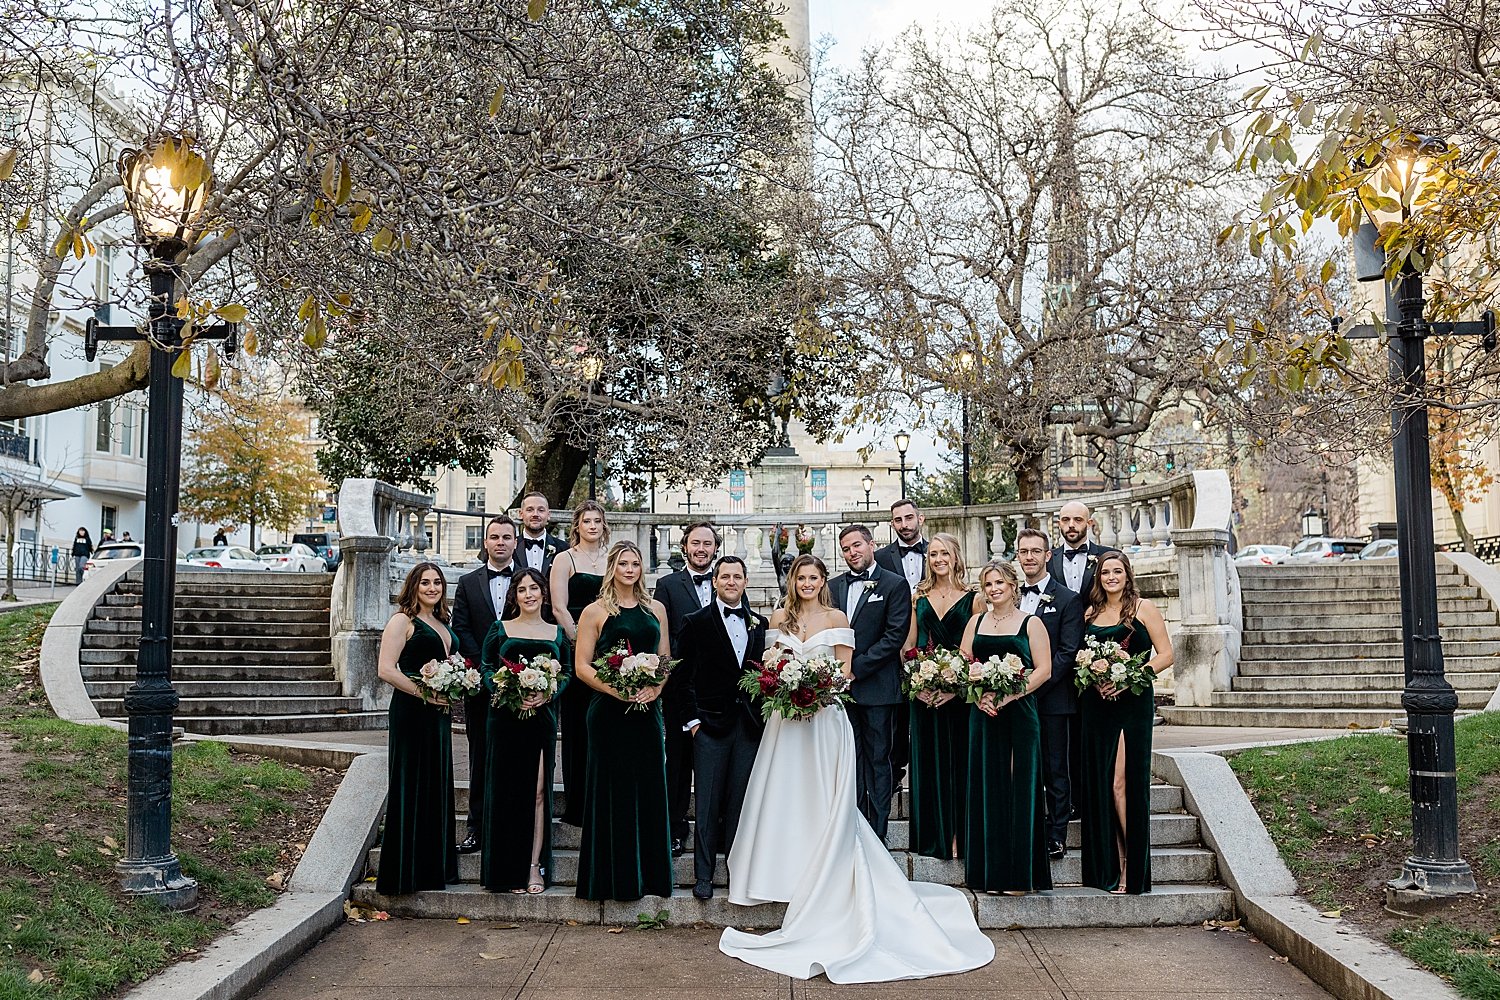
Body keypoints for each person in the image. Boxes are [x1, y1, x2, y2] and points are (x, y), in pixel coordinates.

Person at [719, 554, 993, 982]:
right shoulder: (779, 617)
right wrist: (788, 688)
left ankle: (830, 873)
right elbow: (770, 668)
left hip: (825, 720)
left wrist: (815, 689)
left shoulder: (836, 615)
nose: (806, 583)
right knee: (785, 796)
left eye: (813, 577)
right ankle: (782, 874)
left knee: (825, 799)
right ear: (792, 581)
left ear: (822, 580)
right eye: (800, 578)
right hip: (786, 723)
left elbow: (844, 673)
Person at [573, 540, 674, 901]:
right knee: (611, 791)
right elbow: (582, 665)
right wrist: (615, 691)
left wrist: (657, 689)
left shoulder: (655, 609)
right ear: (612, 568)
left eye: (635, 564)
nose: (630, 570)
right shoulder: (595, 612)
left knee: (649, 787)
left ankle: (651, 876)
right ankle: (611, 879)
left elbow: (664, 658)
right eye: (623, 564)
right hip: (608, 712)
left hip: (646, 711)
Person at [1080, 550, 1173, 895]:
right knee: (1103, 787)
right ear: (1099, 578)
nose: (1111, 577)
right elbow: (1082, 659)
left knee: (1122, 785)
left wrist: (1131, 675)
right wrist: (1094, 677)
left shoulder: (1142, 609)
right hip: (1096, 705)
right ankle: (1110, 865)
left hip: (1131, 703)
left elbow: (1166, 655)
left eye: (1117, 571)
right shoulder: (1091, 612)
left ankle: (1130, 868)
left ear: (1127, 575)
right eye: (1105, 572)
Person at [959, 560, 1052, 895]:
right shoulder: (975, 621)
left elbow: (1043, 670)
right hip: (983, 714)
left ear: (1013, 586)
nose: (993, 589)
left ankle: (1018, 876)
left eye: (999, 583)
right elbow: (964, 664)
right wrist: (979, 695)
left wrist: (1010, 696)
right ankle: (989, 874)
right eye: (988, 585)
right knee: (988, 788)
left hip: (1019, 713)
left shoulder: (1031, 623)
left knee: (1017, 789)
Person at [677, 555, 766, 899]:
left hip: (748, 727)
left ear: (745, 582)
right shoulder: (695, 621)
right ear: (714, 581)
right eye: (724, 576)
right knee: (708, 803)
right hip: (709, 727)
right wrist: (694, 722)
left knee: (740, 804)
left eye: (737, 577)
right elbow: (682, 679)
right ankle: (703, 876)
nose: (731, 582)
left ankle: (736, 875)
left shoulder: (758, 623)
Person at [479, 567, 569, 894]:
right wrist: (507, 689)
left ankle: (534, 866)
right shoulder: (499, 629)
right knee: (506, 793)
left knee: (538, 793)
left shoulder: (557, 633)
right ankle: (505, 870)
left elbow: (568, 673)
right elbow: (487, 668)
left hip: (541, 720)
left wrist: (549, 692)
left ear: (544, 593)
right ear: (514, 596)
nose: (529, 594)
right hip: (505, 720)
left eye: (534, 588)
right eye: (522, 589)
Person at [373, 562, 459, 896]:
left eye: (437, 582)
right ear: (414, 586)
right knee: (411, 785)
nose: (432, 588)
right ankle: (403, 872)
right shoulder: (402, 621)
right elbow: (386, 669)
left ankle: (430, 868)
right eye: (425, 583)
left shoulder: (441, 621)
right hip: (411, 712)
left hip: (437, 715)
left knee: (434, 785)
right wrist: (424, 691)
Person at [826, 524, 912, 842]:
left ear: (871, 544)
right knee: (851, 760)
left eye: (857, 546)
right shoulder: (833, 587)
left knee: (879, 760)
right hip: (841, 693)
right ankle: (854, 827)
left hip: (877, 688)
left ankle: (878, 831)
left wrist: (854, 669)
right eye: (846, 549)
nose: (852, 553)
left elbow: (894, 637)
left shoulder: (894, 584)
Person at [900, 532, 983, 860]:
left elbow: (978, 649)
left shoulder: (974, 599)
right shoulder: (917, 597)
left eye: (944, 553)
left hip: (960, 699)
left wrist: (955, 686)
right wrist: (918, 683)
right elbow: (908, 645)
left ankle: (960, 839)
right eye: (932, 554)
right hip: (924, 698)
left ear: (955, 557)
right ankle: (932, 839)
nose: (938, 559)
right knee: (929, 765)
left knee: (960, 764)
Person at [451, 516, 521, 854]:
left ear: (515, 542)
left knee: (513, 759)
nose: (501, 542)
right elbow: (460, 628)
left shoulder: (528, 582)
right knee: (480, 758)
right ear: (486, 542)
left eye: (507, 537)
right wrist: (486, 667)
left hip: (521, 686)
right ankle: (476, 828)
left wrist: (517, 672)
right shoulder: (467, 582)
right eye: (494, 537)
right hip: (480, 686)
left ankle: (511, 831)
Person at [1015, 528, 1085, 861]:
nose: (1029, 556)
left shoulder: (1068, 599)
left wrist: (1035, 685)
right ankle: (1026, 828)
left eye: (1035, 551)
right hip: (1013, 701)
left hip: (1053, 700)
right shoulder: (1009, 595)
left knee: (1056, 768)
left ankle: (1056, 834)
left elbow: (1068, 652)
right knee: (1025, 768)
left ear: (1048, 556)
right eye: (1023, 551)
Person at [653, 520, 719, 856]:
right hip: (679, 687)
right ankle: (674, 830)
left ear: (715, 548)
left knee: (715, 761)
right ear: (685, 547)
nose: (701, 549)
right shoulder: (666, 585)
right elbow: (662, 638)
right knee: (677, 763)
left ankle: (716, 829)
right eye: (696, 543)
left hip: (718, 691)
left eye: (707, 544)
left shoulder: (727, 580)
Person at [550, 501, 609, 826]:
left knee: (605, 726)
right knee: (577, 727)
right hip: (576, 651)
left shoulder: (613, 558)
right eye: (586, 520)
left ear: (603, 525)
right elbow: (558, 607)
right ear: (577, 525)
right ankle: (579, 806)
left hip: (613, 653)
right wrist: (583, 644)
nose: (592, 525)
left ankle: (604, 798)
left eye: (597, 520)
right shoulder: (565, 559)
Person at [1047, 500, 1108, 598]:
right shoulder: (1048, 559)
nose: (1071, 525)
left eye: (1078, 520)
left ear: (1089, 523)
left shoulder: (1107, 555)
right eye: (1065, 520)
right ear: (1059, 524)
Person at [873, 498, 927, 591]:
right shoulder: (879, 557)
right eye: (898, 520)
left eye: (909, 518)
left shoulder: (936, 553)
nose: (904, 525)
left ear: (920, 519)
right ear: (893, 525)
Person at [517, 491, 568, 573]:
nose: (535, 514)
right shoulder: (511, 547)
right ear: (521, 514)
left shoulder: (564, 549)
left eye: (541, 510)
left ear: (548, 515)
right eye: (530, 510)